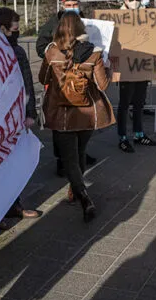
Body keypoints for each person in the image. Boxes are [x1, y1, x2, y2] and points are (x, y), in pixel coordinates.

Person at [39, 12, 115, 222]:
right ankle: (76, 190)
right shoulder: (94, 53)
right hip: (87, 114)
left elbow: (43, 78)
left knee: (69, 158)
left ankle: (82, 195)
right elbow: (102, 85)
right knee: (80, 152)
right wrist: (108, 69)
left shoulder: (52, 52)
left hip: (62, 112)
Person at [35, 0, 97, 173]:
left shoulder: (87, 23)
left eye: (75, 4)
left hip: (81, 79)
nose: (72, 8)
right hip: (59, 80)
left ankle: (80, 153)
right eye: (68, 5)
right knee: (60, 123)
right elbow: (41, 47)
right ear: (62, 5)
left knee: (81, 117)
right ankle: (62, 159)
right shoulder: (52, 24)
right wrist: (55, 55)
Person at [0, 7, 43, 228]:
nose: (18, 31)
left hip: (16, 117)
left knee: (15, 162)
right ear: (2, 28)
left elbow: (27, 84)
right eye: (14, 28)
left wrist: (30, 113)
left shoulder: (18, 52)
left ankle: (14, 204)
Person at [116, 0, 156, 153]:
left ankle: (139, 134)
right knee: (125, 103)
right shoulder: (117, 17)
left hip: (141, 65)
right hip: (126, 67)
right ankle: (122, 137)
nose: (135, 2)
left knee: (139, 102)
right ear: (125, 0)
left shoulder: (146, 14)